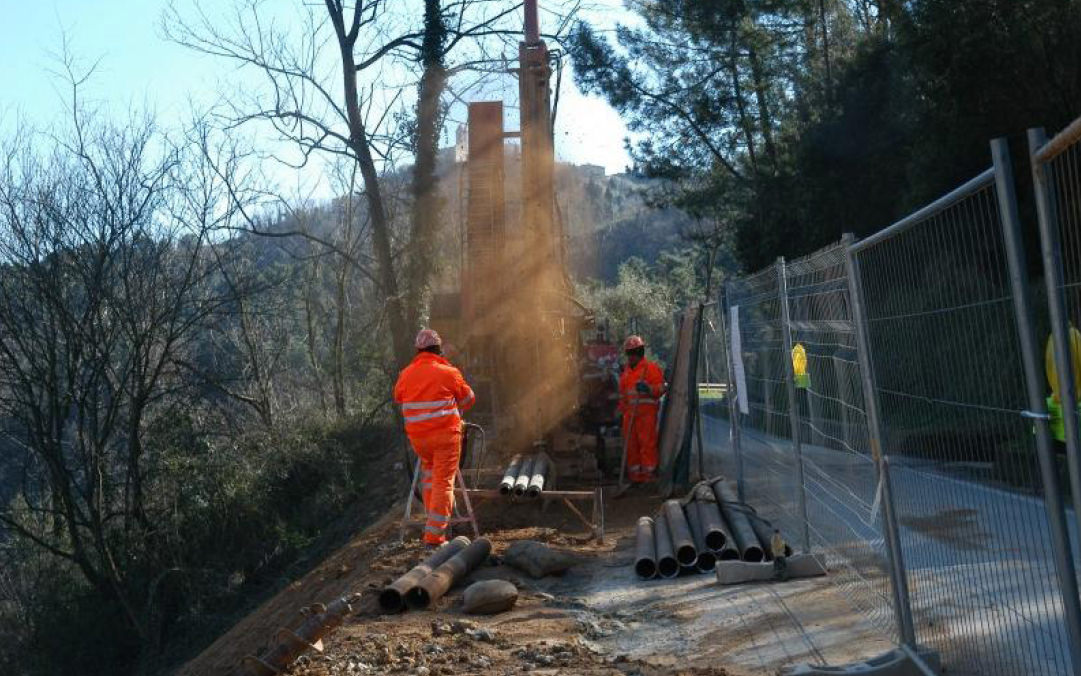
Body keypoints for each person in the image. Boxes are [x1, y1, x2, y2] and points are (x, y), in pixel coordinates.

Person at [393, 329, 475, 546]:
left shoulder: (406, 374)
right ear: (439, 350)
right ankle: (434, 537)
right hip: (445, 438)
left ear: (418, 351)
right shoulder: (448, 372)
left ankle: (433, 522)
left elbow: (398, 396)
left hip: (419, 440)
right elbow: (469, 399)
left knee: (429, 478)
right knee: (443, 483)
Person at [618, 335, 666, 483]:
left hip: (646, 416)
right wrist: (622, 413)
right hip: (629, 417)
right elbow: (623, 397)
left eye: (635, 353)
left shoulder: (651, 369)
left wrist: (648, 388)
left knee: (647, 446)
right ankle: (634, 477)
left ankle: (648, 477)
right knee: (631, 448)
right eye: (630, 353)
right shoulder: (625, 374)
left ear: (641, 353)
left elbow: (661, 389)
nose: (632, 356)